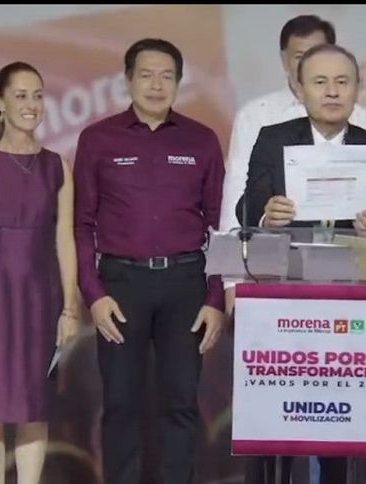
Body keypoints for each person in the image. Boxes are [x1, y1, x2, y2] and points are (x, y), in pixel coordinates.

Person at [237, 43, 366, 484]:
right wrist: (265, 215)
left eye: (342, 82)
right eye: (320, 82)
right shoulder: (273, 139)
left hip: (352, 303)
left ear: (357, 89)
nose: (332, 92)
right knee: (277, 417)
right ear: (300, 89)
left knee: (340, 420)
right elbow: (245, 207)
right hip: (285, 301)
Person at [73, 38, 225, 484]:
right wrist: (93, 293)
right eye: (146, 75)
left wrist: (215, 297)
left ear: (178, 83)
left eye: (167, 76)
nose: (156, 85)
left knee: (181, 402)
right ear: (127, 80)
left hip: (186, 283)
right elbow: (82, 224)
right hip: (120, 285)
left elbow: (220, 226)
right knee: (121, 403)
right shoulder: (98, 139)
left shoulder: (202, 139)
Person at [0, 61, 80, 484]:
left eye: (38, 96)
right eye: (21, 96)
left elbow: (65, 241)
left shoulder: (58, 166)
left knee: (34, 404)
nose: (31, 105)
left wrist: (69, 308)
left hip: (41, 298)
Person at [220, 14, 366, 236]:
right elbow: (238, 185)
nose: (308, 64)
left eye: (317, 53)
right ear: (284, 60)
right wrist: (236, 241)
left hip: (347, 241)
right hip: (279, 244)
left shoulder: (358, 116)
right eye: (300, 56)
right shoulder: (256, 115)